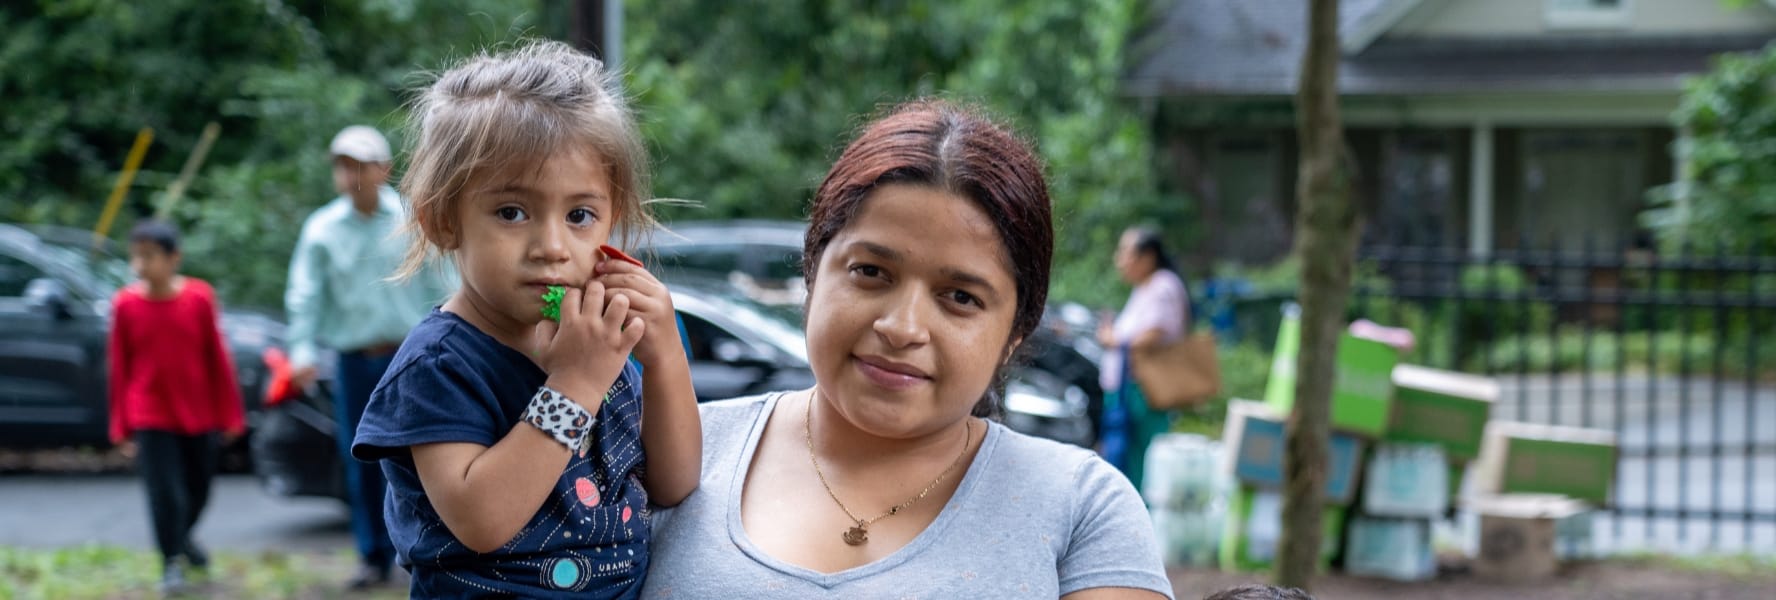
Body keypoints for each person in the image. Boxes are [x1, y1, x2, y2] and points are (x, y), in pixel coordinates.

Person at [642, 99, 1173, 599]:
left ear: (1014, 334)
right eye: (871, 272)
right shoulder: (668, 455)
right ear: (812, 275)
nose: (902, 327)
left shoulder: (1083, 508)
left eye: (960, 297)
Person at [350, 41, 701, 598]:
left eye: (580, 215)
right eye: (512, 212)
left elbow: (673, 484)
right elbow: (483, 521)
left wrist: (663, 359)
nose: (553, 246)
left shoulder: (596, 343)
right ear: (443, 220)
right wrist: (576, 384)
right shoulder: (437, 366)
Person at [284, 122, 451, 589]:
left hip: (411, 355)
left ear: (384, 169)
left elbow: (442, 281)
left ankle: (424, 549)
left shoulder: (409, 218)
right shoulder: (321, 230)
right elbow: (306, 295)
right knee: (360, 459)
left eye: (359, 164)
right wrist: (301, 349)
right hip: (355, 359)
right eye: (342, 164)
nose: (349, 173)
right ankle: (370, 555)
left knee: (427, 454)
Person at [107, 219, 245, 593]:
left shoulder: (199, 297)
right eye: (136, 256)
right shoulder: (125, 304)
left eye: (149, 256)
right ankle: (171, 560)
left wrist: (231, 414)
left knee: (198, 488)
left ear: (174, 258)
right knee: (164, 491)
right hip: (150, 413)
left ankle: (182, 539)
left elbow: (217, 359)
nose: (141, 265)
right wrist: (120, 426)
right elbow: (119, 367)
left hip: (197, 412)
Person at [1096, 226, 1191, 488]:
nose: (1120, 259)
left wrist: (1112, 339)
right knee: (1128, 457)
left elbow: (1155, 334)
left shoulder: (1162, 287)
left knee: (1139, 460)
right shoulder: (1146, 287)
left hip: (1143, 391)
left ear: (1147, 257)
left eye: (1125, 252)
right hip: (1131, 388)